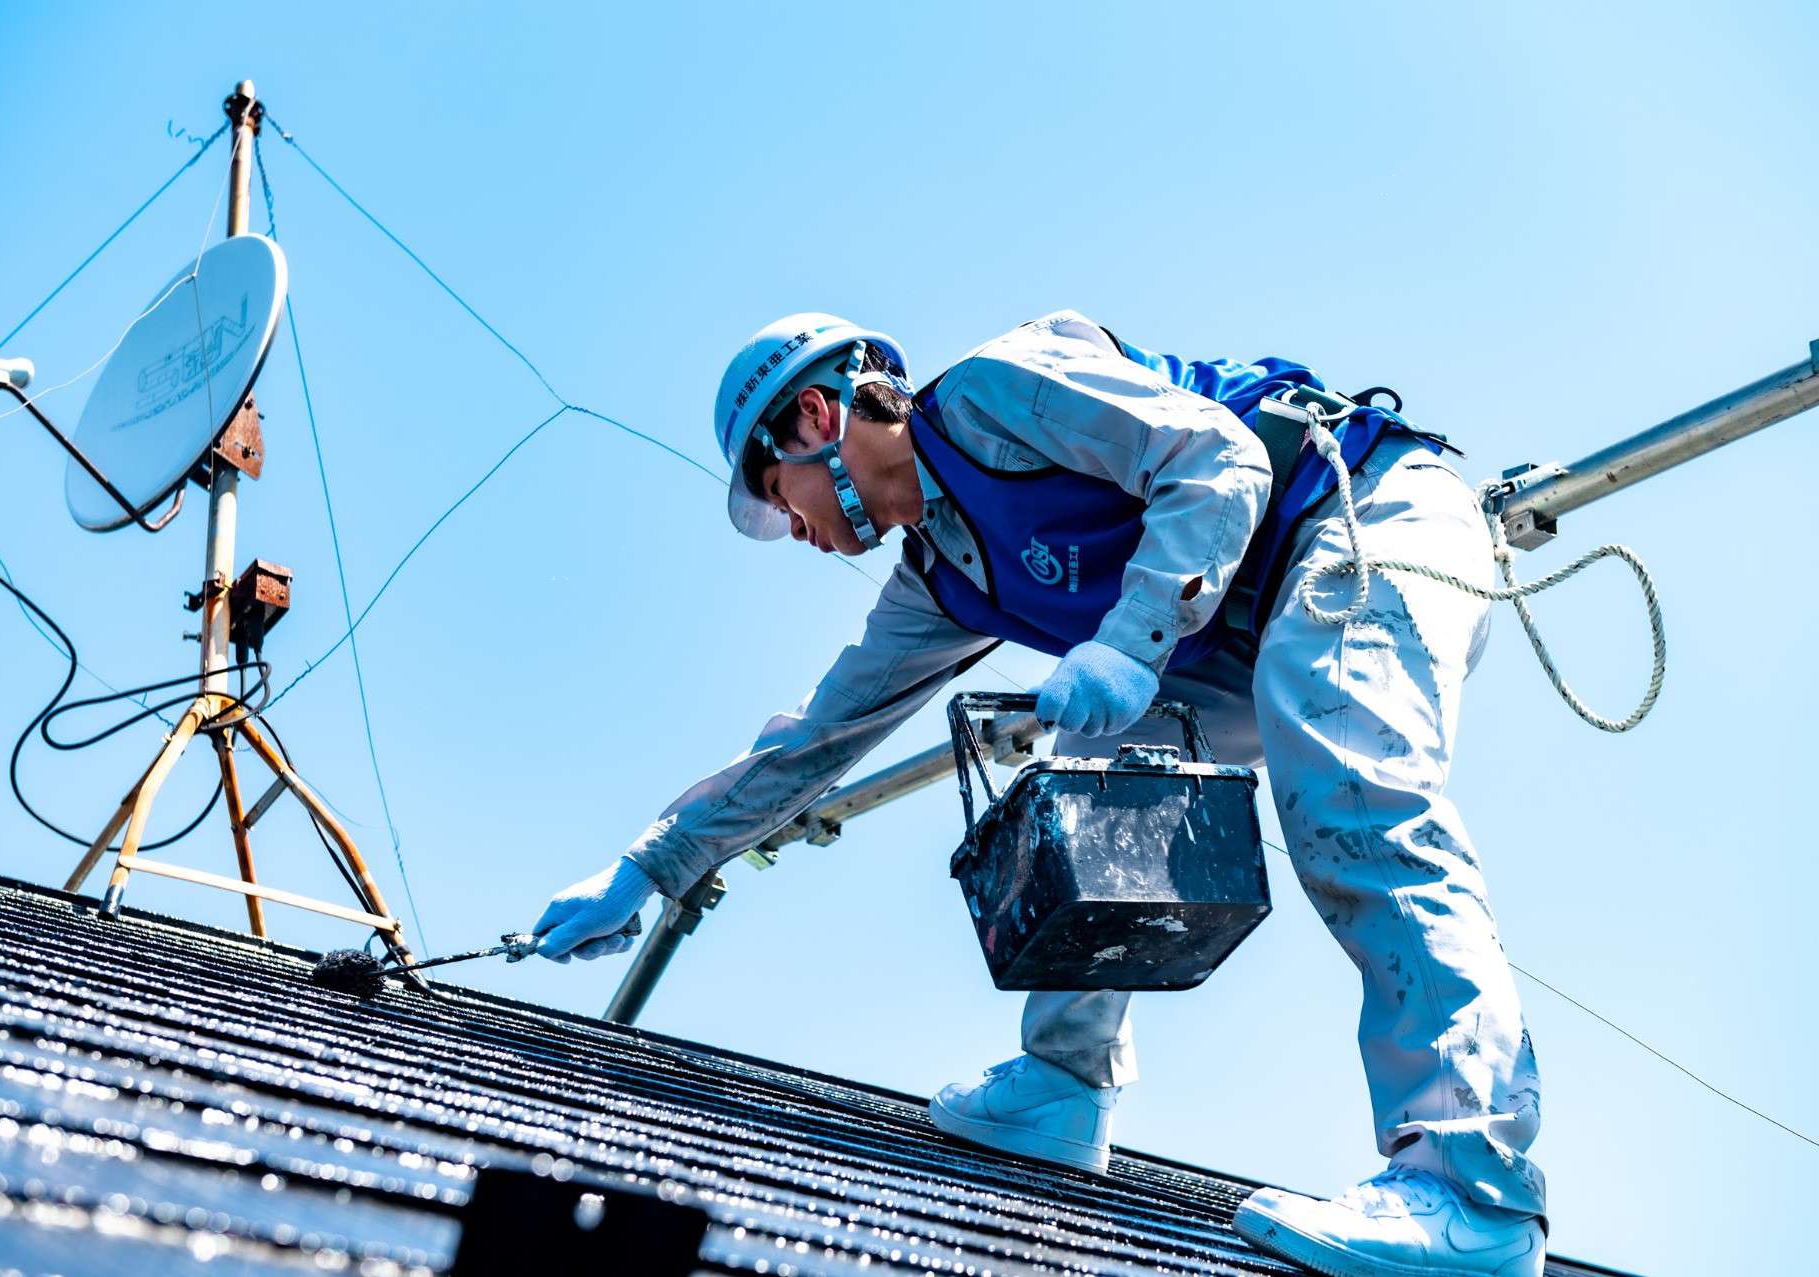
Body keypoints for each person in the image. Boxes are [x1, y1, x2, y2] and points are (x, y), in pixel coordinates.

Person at [516, 310, 1547, 1276]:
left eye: (776, 493)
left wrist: (1132, 636)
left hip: (1362, 517)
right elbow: (813, 742)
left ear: (817, 419)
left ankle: (1472, 1188)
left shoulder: (998, 396)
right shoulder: (943, 575)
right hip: (1230, 621)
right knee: (1105, 778)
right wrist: (648, 864)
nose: (790, 528)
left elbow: (1219, 458)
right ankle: (1065, 1081)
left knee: (1349, 794)